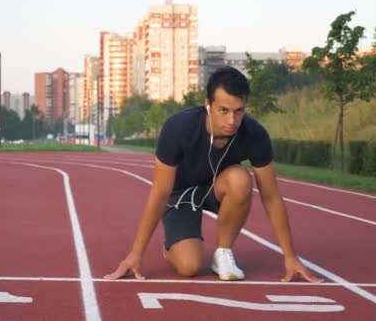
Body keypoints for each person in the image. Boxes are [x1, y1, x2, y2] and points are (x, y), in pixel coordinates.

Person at [104, 66, 322, 282]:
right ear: (208, 105)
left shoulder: (255, 135)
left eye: (239, 111)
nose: (232, 121)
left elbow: (271, 195)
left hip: (217, 188)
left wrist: (290, 256)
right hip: (180, 195)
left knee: (240, 179)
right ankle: (172, 245)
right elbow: (160, 192)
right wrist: (136, 254)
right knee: (189, 267)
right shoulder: (178, 128)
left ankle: (223, 253)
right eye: (224, 110)